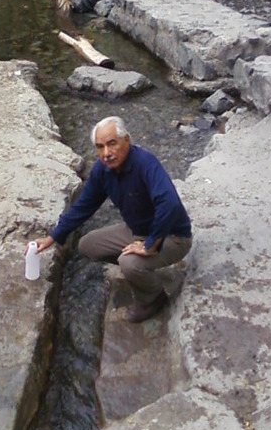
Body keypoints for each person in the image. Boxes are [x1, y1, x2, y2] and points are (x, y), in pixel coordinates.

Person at [29, 116, 192, 323]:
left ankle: (153, 298)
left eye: (112, 144)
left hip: (172, 236)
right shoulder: (102, 171)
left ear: (127, 140)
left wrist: (150, 245)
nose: (106, 153)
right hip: (135, 230)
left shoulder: (145, 163)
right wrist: (53, 237)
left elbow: (169, 203)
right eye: (100, 147)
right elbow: (83, 206)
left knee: (128, 263)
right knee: (87, 245)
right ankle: (141, 271)